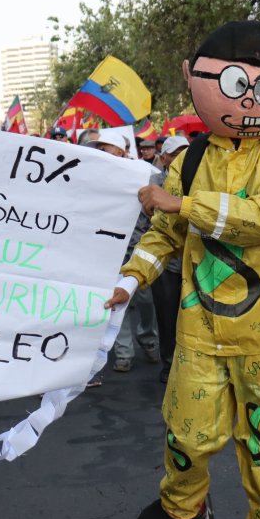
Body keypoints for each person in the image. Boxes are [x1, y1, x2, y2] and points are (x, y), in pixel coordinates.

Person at [111, 21, 260, 519]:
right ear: (194, 78)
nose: (249, 99)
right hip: (200, 330)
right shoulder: (190, 159)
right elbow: (165, 234)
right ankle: (183, 515)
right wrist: (130, 279)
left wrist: (181, 203)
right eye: (232, 85)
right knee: (186, 435)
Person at [91, 129, 159, 375]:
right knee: (119, 303)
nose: (99, 152)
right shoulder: (94, 177)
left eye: (104, 147)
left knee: (145, 302)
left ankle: (149, 338)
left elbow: (156, 213)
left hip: (140, 251)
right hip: (109, 253)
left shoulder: (144, 176)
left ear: (121, 151)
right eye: (97, 148)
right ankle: (124, 353)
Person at [150, 135, 189, 383]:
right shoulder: (152, 183)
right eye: (175, 153)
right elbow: (143, 225)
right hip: (164, 265)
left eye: (185, 152)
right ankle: (168, 364)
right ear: (163, 158)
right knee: (166, 318)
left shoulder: (200, 179)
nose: (180, 158)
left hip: (193, 265)